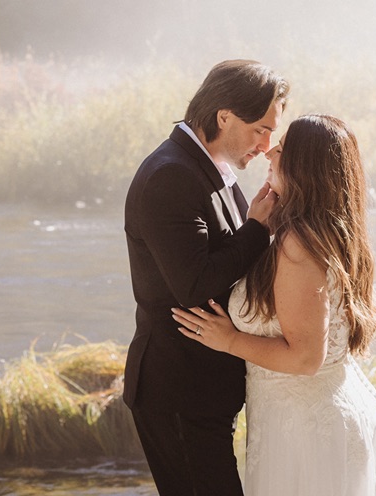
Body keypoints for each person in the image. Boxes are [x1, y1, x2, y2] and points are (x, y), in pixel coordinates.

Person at [171, 114, 376, 496]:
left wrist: (229, 340)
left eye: (281, 148)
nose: (269, 152)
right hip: (313, 417)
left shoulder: (299, 244)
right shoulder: (329, 232)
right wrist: (257, 227)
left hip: (308, 434)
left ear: (305, 166)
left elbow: (304, 358)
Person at [123, 59, 288, 496]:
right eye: (259, 129)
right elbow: (194, 283)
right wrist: (259, 230)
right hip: (178, 390)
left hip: (204, 389)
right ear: (224, 117)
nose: (267, 143)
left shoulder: (212, 166)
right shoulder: (171, 175)